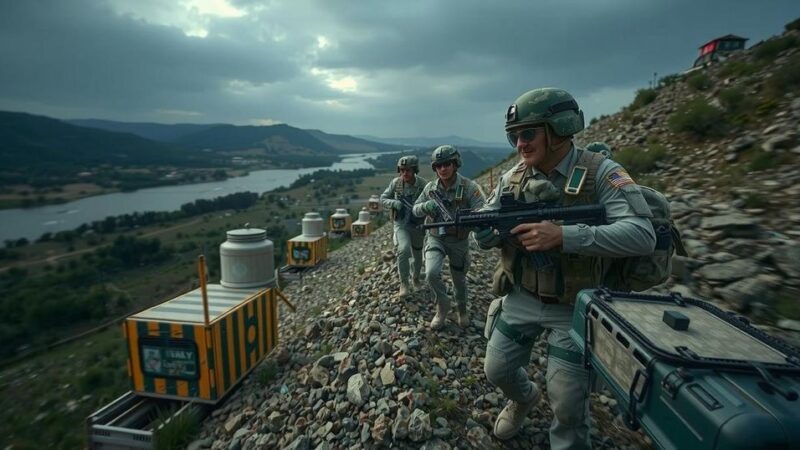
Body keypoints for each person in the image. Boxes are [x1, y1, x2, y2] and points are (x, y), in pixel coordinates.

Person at [475, 88, 656, 448]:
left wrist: (564, 236)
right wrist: (484, 230)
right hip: (523, 296)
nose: (520, 144)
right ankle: (525, 398)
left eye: (528, 133)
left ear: (558, 129)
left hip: (576, 305)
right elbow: (487, 217)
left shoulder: (601, 172)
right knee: (496, 369)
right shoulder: (514, 177)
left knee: (568, 404)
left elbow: (642, 234)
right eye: (514, 135)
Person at [413, 145, 485, 329]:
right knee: (430, 273)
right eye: (438, 166)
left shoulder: (469, 187)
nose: (443, 169)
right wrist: (426, 207)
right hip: (436, 237)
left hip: (459, 240)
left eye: (447, 164)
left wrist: (471, 219)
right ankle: (442, 306)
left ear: (455, 164)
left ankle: (461, 309)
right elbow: (415, 209)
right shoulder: (430, 188)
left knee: (459, 280)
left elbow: (483, 210)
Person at [380, 155, 428, 297]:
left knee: (418, 256)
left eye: (408, 170)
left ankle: (416, 278)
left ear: (414, 170)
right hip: (401, 224)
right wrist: (393, 203)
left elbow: (432, 203)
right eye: (402, 170)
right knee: (403, 249)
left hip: (417, 225)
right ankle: (404, 283)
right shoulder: (396, 183)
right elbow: (383, 198)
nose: (404, 173)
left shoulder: (423, 185)